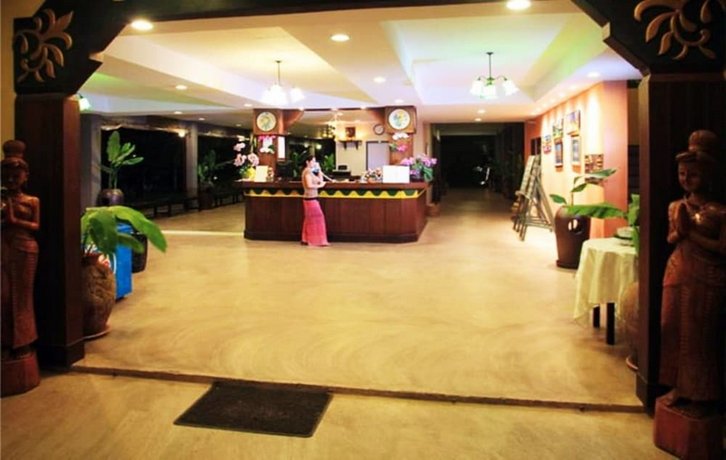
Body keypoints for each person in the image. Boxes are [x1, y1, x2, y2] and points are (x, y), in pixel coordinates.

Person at [659, 130, 725, 414]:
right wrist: (680, 230)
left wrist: (690, 233)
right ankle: (677, 386)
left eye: (693, 175)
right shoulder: (676, 206)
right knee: (671, 328)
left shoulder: (719, 212)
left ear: (707, 175)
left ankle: (700, 394)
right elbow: (671, 238)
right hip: (677, 270)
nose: (686, 179)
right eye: (682, 174)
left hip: (706, 276)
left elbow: (722, 248)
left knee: (699, 336)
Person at [1, 140, 41, 359]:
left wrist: (14, 220)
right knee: (4, 296)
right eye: (6, 176)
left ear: (25, 177)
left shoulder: (31, 200)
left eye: (16, 176)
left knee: (22, 297)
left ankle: (23, 341)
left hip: (25, 248)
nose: (11, 180)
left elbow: (35, 225)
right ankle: (6, 341)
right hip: (3, 246)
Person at [301, 155, 329, 246]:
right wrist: (320, 186)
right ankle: (315, 240)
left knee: (310, 219)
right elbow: (309, 185)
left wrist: (319, 169)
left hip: (313, 197)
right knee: (317, 217)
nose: (314, 163)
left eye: (315, 161)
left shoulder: (311, 172)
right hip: (309, 198)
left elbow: (320, 180)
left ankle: (306, 239)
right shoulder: (307, 172)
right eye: (312, 161)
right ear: (307, 162)